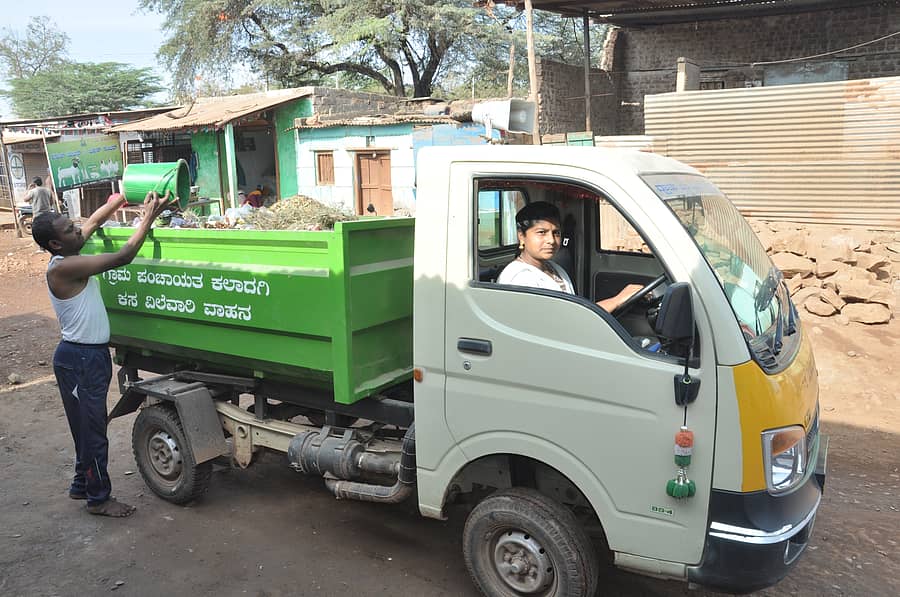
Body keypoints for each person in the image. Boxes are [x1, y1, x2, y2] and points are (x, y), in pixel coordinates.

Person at [31, 190, 174, 517]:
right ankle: (98, 499)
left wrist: (124, 196)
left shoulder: (69, 250)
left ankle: (82, 485)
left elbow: (94, 220)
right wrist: (147, 219)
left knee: (85, 428)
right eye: (69, 230)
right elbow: (123, 256)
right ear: (55, 244)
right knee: (94, 432)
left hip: (83, 357)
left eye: (72, 225)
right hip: (80, 359)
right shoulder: (64, 269)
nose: (77, 230)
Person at [498, 201, 645, 312]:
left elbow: (572, 315)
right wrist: (617, 300)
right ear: (521, 236)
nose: (551, 240)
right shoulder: (519, 279)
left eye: (556, 233)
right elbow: (560, 325)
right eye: (541, 232)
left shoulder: (555, 269)